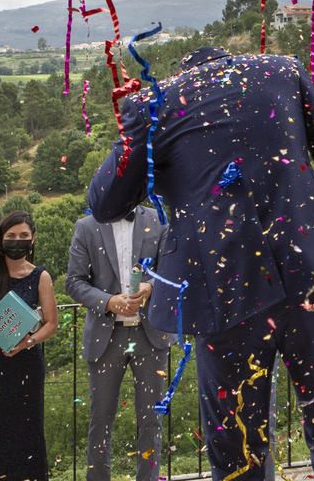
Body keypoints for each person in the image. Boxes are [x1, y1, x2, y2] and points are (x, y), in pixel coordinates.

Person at [87, 47, 314, 481]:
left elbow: (106, 202)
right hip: (313, 272)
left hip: (223, 292)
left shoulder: (154, 103)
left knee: (237, 444)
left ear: (184, 71)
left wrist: (135, 140)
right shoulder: (284, 68)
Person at [66, 203, 176, 481]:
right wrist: (108, 302)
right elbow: (74, 282)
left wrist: (150, 286)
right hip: (106, 337)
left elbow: (174, 269)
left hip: (151, 333)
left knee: (151, 419)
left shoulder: (159, 219)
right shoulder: (86, 226)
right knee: (100, 419)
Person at [0, 210, 58, 481]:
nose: (18, 241)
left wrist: (29, 340)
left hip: (26, 368)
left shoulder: (41, 276)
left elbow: (51, 324)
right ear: (1, 238)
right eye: (11, 236)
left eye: (24, 236)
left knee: (26, 435)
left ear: (33, 239)